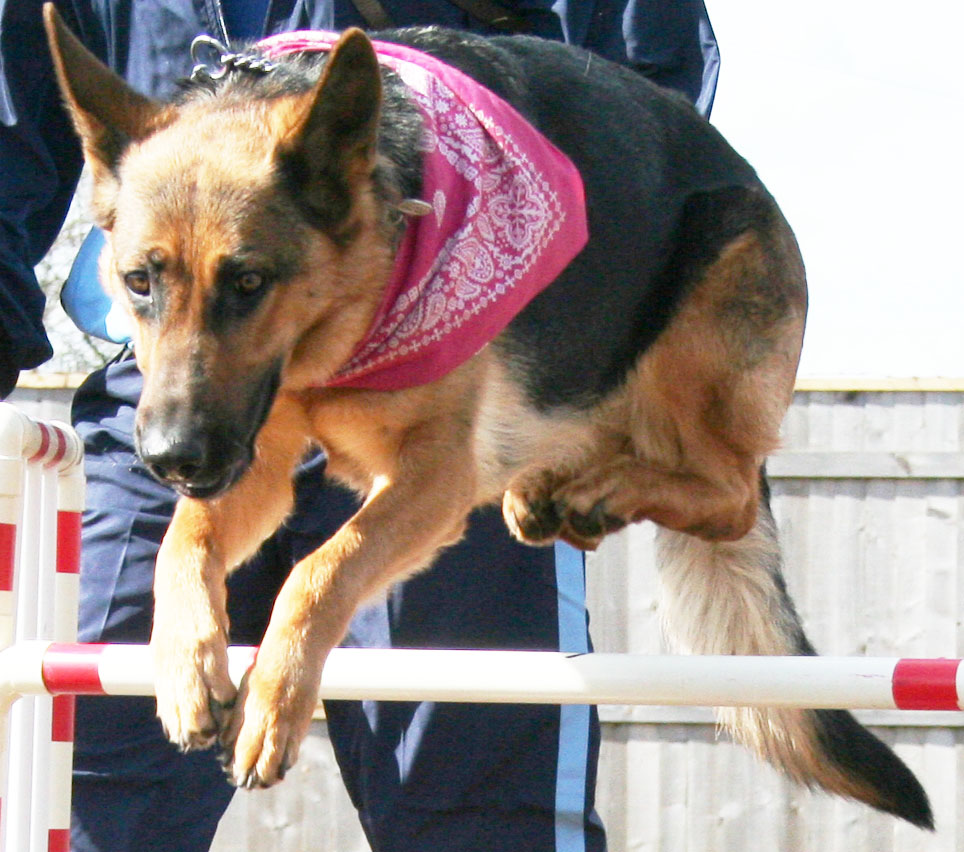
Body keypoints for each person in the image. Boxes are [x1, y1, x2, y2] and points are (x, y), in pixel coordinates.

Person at [0, 2, 719, 850]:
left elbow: (636, 110)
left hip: (440, 390)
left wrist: (560, 355)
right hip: (179, 397)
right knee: (81, 798)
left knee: (480, 829)